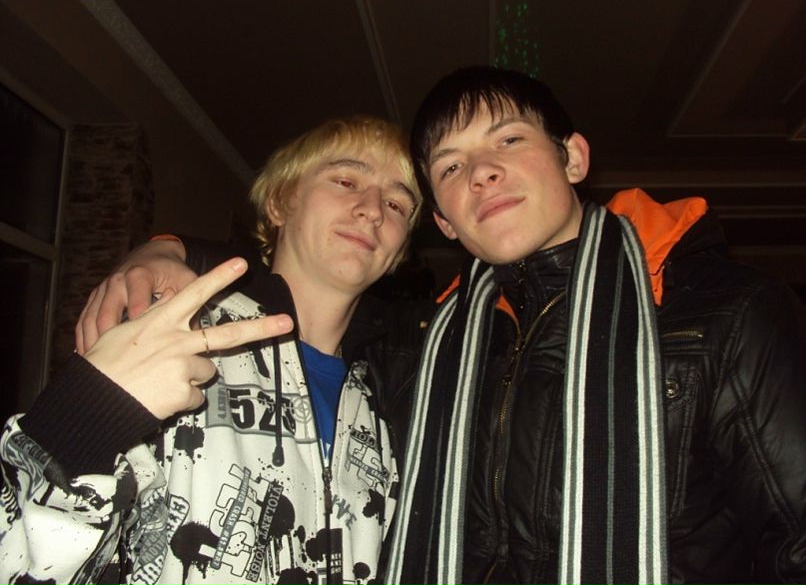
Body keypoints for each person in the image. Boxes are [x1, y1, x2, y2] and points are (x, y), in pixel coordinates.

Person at [70, 67, 806, 584]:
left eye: (508, 141)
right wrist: (163, 251)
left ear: (574, 157)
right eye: (450, 167)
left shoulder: (723, 314)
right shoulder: (425, 350)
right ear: (448, 223)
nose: (480, 172)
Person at [0, 115, 423, 584]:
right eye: (346, 181)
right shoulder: (176, 332)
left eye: (397, 204)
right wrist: (86, 416)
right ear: (280, 202)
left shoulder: (394, 398)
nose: (373, 210)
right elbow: (20, 556)